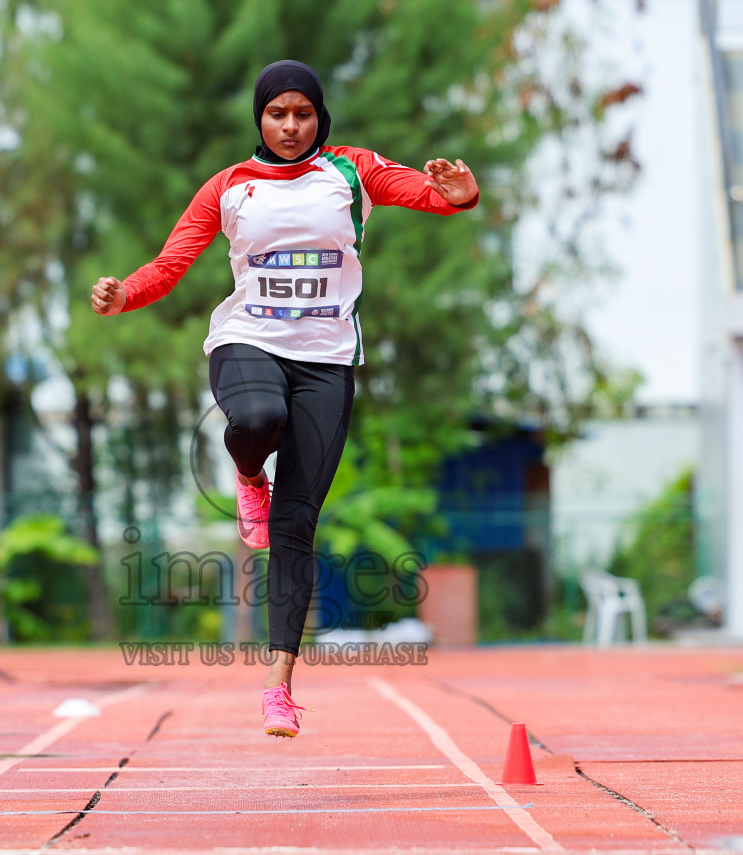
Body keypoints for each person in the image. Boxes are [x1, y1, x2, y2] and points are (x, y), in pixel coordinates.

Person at [91, 59, 479, 738]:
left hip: (327, 361)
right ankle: (247, 475)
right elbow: (170, 263)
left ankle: (278, 689)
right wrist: (125, 293)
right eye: (278, 114)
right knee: (258, 417)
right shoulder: (229, 187)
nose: (291, 126)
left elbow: (429, 193)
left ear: (319, 117)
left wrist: (460, 195)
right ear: (260, 118)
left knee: (296, 527)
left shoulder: (351, 171)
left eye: (303, 113)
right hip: (248, 343)